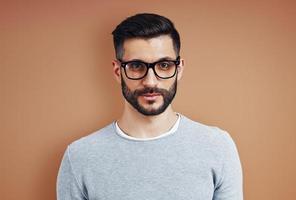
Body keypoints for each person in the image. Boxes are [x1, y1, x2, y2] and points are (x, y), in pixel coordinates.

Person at [56, 13, 243, 200]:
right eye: (137, 66)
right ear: (117, 71)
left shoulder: (218, 146)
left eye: (164, 65)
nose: (150, 81)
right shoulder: (80, 157)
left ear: (179, 70)